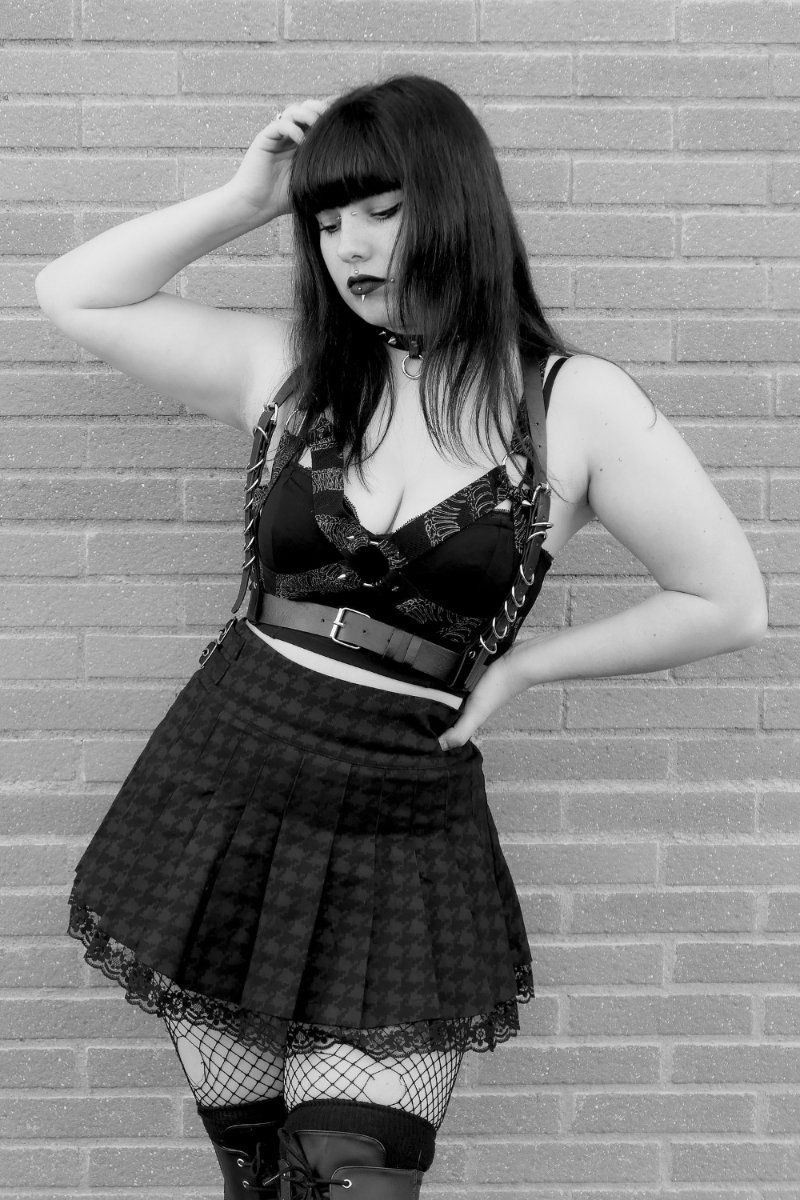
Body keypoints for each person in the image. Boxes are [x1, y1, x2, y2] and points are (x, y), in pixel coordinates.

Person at [35, 76, 767, 1200]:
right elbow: (76, 293)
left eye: (380, 210)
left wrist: (524, 667)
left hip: (396, 825)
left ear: (456, 202)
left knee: (353, 1174)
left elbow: (725, 600)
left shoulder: (571, 403)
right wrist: (245, 201)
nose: (349, 245)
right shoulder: (294, 370)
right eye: (325, 221)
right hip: (225, 792)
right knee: (260, 1181)